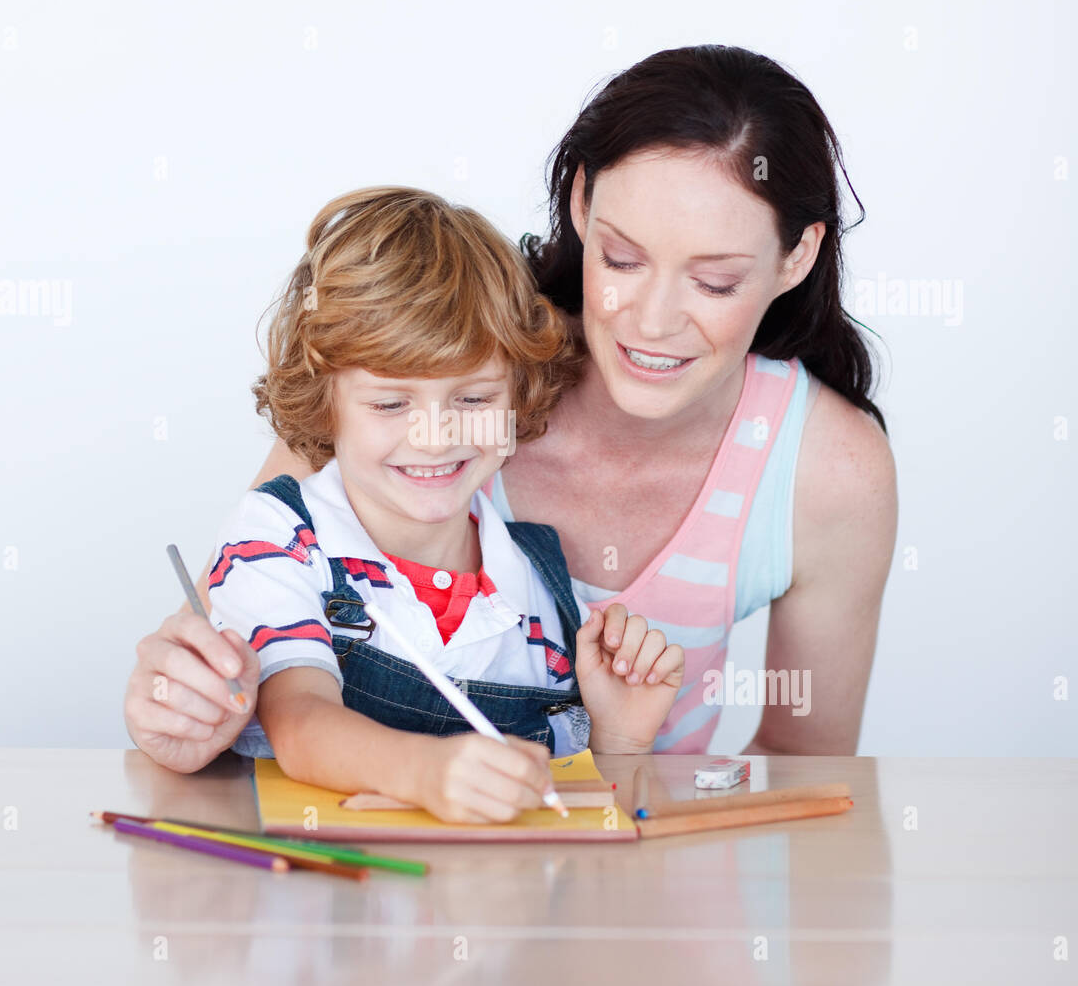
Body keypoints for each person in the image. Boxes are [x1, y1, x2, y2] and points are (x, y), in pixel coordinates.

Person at [125, 45, 896, 758]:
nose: (653, 321)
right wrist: (184, 698)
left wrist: (632, 801)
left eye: (714, 281)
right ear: (582, 203)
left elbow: (806, 777)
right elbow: (238, 645)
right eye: (622, 259)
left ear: (798, 255)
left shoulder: (828, 471)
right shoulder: (441, 359)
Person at [126, 186, 684, 822]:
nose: (435, 436)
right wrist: (427, 772)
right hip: (328, 902)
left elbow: (574, 816)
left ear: (518, 397)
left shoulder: (543, 597)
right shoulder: (281, 539)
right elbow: (302, 721)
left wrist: (620, 740)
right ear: (324, 401)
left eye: (472, 400)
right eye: (391, 404)